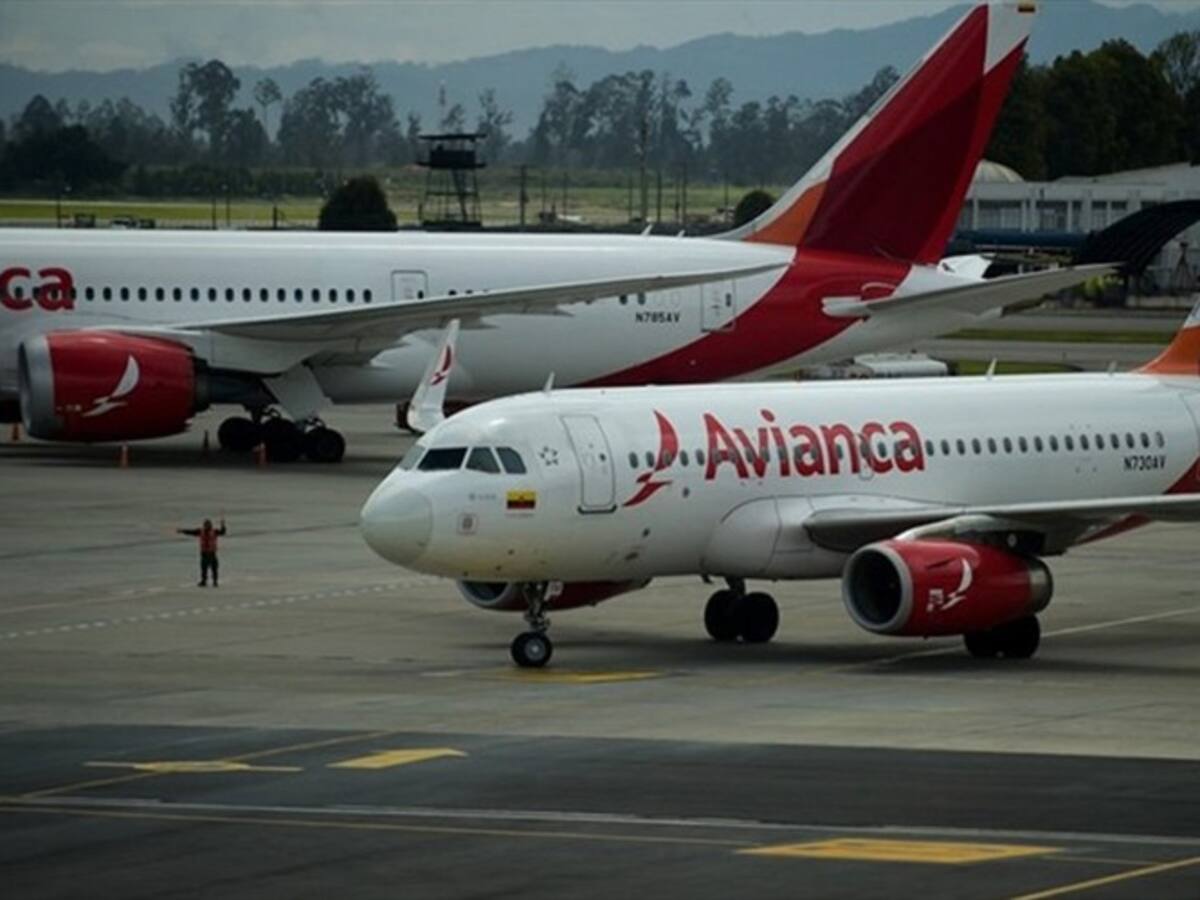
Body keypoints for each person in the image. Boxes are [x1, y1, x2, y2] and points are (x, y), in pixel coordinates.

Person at [178, 517, 227, 587]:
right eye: (206, 525)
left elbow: (223, 532)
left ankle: (215, 581)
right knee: (204, 568)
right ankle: (204, 581)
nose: (207, 526)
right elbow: (191, 532)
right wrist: (182, 531)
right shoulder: (201, 531)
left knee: (214, 568)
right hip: (204, 553)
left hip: (212, 553)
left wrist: (222, 525)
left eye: (208, 525)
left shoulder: (214, 531)